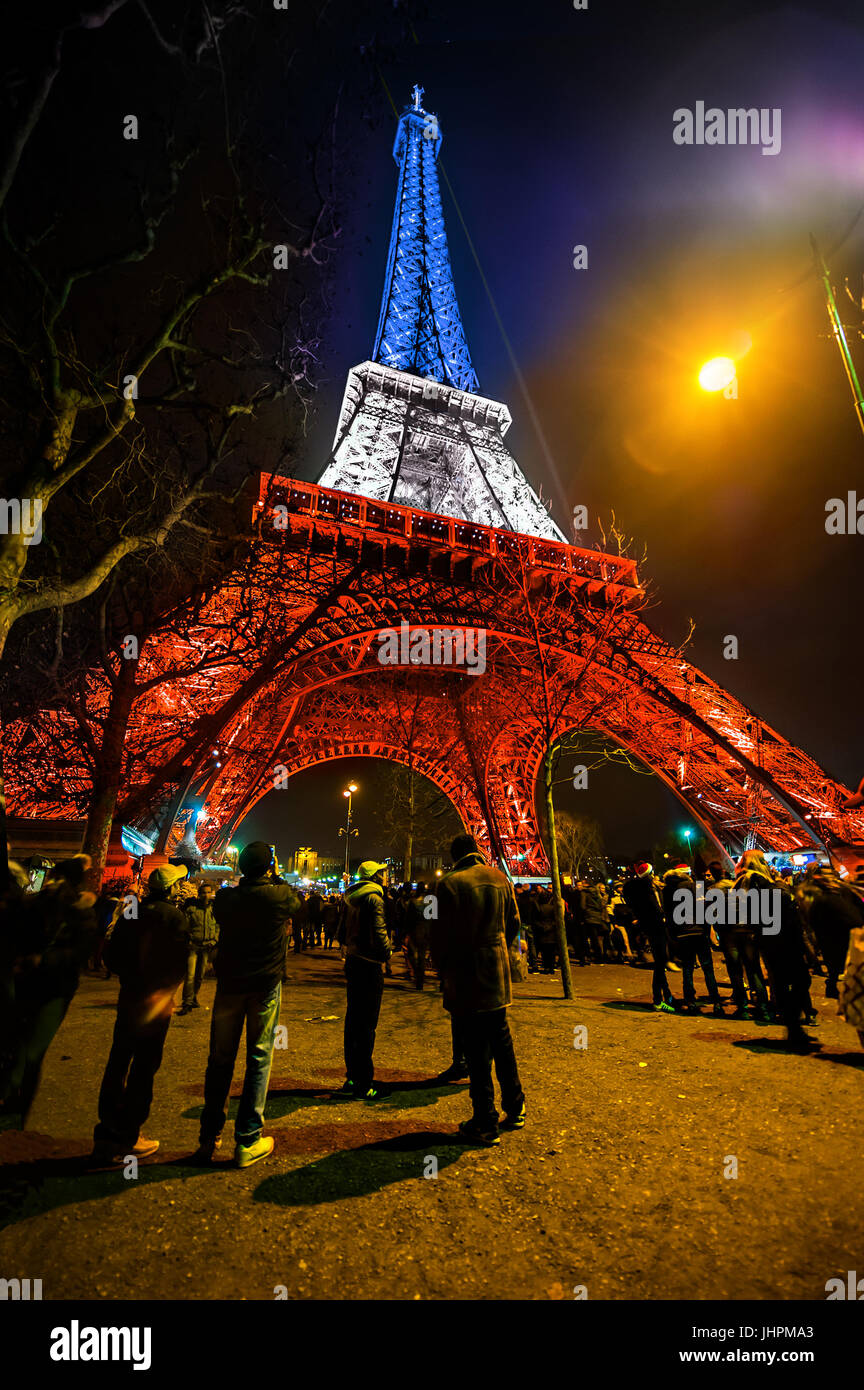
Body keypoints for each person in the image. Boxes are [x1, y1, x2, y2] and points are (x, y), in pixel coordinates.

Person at [195, 843, 300, 1167]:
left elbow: (224, 903)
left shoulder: (226, 899)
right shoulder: (280, 896)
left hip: (229, 986)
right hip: (265, 986)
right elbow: (294, 901)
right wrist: (276, 876)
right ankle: (248, 1140)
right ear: (269, 867)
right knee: (259, 1058)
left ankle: (208, 1139)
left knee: (219, 1060)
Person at [430, 833, 525, 1147]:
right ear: (478, 851)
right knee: (502, 1040)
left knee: (475, 1049)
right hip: (497, 973)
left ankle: (484, 1120)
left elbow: (440, 935)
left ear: (454, 856)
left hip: (466, 973)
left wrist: (442, 970)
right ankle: (516, 1106)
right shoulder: (501, 878)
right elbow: (514, 924)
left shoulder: (450, 884)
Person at [91, 864, 189, 1164]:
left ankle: (107, 1134)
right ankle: (129, 1137)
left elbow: (113, 951)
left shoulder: (133, 911)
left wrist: (128, 976)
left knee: (118, 1061)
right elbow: (179, 962)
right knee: (144, 1068)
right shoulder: (175, 917)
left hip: (129, 995)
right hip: (157, 1002)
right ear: (172, 889)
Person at [4, 855, 97, 1125]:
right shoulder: (43, 906)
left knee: (29, 1049)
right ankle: (15, 1104)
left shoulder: (76, 910)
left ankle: (16, 1108)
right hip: (42, 984)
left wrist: (40, 960)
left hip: (50, 985)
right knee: (22, 1046)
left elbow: (80, 951)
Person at [333, 860, 392, 1101]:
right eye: (383, 873)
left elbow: (340, 932)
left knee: (353, 1021)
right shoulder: (374, 898)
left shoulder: (350, 897)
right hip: (370, 964)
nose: (386, 877)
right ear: (375, 877)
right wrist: (387, 952)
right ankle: (364, 1084)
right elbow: (379, 932)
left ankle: (352, 1077)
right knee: (368, 1025)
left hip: (353, 961)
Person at [663, 862, 724, 1016]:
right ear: (687, 873)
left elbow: (669, 914)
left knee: (688, 968)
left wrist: (673, 934)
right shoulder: (695, 887)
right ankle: (716, 1002)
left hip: (682, 933)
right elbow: (705, 909)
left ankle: (690, 1001)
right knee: (708, 968)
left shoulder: (668, 890)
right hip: (698, 931)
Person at [623, 862, 675, 1013]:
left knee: (660, 961)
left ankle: (667, 995)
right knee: (660, 963)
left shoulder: (637, 888)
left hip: (649, 926)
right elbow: (655, 906)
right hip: (657, 926)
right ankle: (658, 1000)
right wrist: (662, 916)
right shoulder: (647, 888)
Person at [178, 881, 219, 1014]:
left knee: (199, 976)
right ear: (199, 894)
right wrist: (188, 940)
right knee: (190, 975)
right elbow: (185, 927)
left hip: (207, 946)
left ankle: (193, 997)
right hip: (193, 946)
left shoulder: (214, 910)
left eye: (208, 892)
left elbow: (218, 927)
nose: (206, 895)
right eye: (203, 893)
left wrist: (214, 940)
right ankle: (187, 1002)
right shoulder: (192, 909)